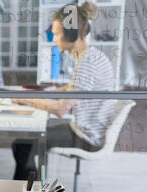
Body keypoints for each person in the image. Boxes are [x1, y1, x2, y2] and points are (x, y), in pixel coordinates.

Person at [11, 1, 116, 180]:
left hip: (86, 138)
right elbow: (70, 88)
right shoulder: (89, 56)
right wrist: (41, 94)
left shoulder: (87, 63)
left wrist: (28, 100)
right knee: (30, 137)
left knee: (22, 145)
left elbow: (61, 109)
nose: (54, 39)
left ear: (72, 33)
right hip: (88, 131)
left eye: (57, 33)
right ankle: (33, 188)